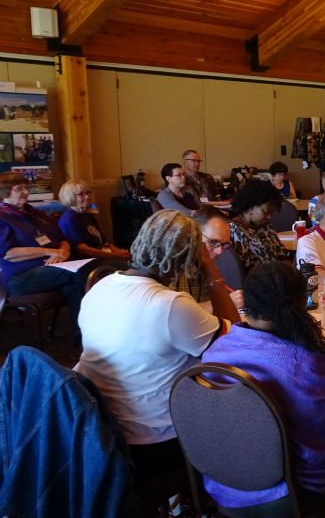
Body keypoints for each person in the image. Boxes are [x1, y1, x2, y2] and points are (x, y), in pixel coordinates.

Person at [74, 210, 239, 508]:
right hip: (155, 443)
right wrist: (210, 272)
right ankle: (220, 498)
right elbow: (236, 341)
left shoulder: (99, 288)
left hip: (102, 431)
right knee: (246, 406)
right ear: (189, 256)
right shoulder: (170, 305)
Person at [201, 261, 325, 514]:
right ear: (300, 304)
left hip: (227, 485)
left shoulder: (214, 353)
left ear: (246, 303)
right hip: (294, 491)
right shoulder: (307, 364)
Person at [0, 174, 82, 326]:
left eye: (27, 188)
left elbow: (62, 239)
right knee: (83, 273)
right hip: (20, 276)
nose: (26, 192)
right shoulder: (2, 217)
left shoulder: (35, 213)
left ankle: (84, 337)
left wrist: (63, 252)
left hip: (55, 266)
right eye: (19, 189)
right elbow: (8, 254)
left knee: (75, 286)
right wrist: (49, 252)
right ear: (4, 193)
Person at [57, 179, 130, 260]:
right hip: (87, 261)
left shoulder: (87, 215)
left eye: (88, 192)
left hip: (103, 256)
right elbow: (83, 250)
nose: (87, 196)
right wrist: (116, 256)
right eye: (81, 194)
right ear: (70, 197)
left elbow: (103, 244)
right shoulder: (69, 219)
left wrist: (120, 252)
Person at [228, 179, 288, 275]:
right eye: (265, 212)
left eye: (271, 213)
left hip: (278, 277)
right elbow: (246, 273)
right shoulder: (235, 231)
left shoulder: (265, 225)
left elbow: (281, 254)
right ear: (250, 206)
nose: (269, 217)